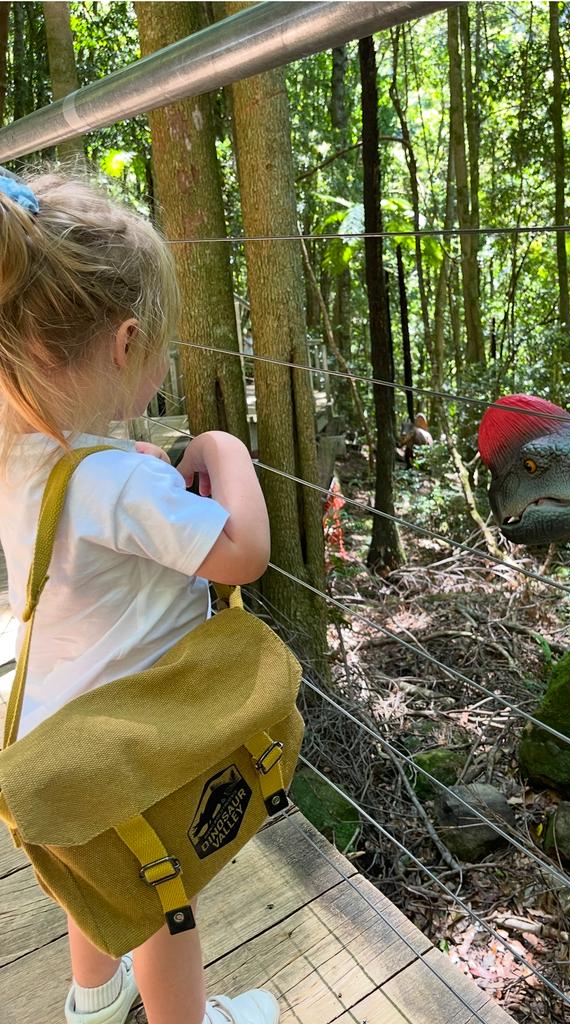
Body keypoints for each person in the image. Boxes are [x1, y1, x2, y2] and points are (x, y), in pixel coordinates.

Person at [0, 170, 279, 1024]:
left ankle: (94, 1000)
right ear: (125, 343)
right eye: (163, 346)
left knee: (100, 879)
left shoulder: (22, 455)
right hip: (130, 743)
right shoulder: (118, 480)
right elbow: (244, 554)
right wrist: (223, 448)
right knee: (164, 896)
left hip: (56, 736)